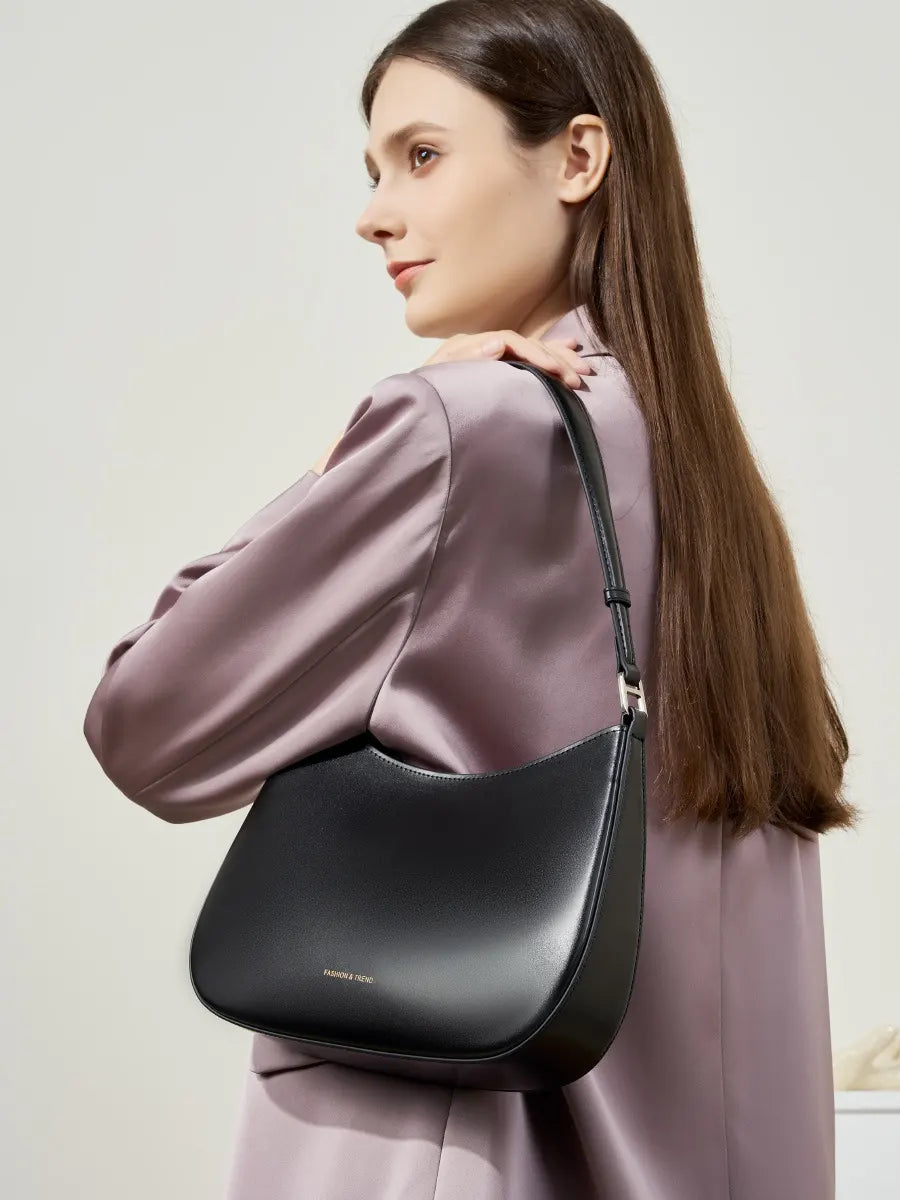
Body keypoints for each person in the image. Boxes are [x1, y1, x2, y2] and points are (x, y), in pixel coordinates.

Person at [82, 2, 860, 1197]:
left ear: (578, 159)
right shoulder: (709, 488)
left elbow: (146, 725)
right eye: (375, 168)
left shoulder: (464, 427)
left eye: (424, 155)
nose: (373, 212)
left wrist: (364, 446)